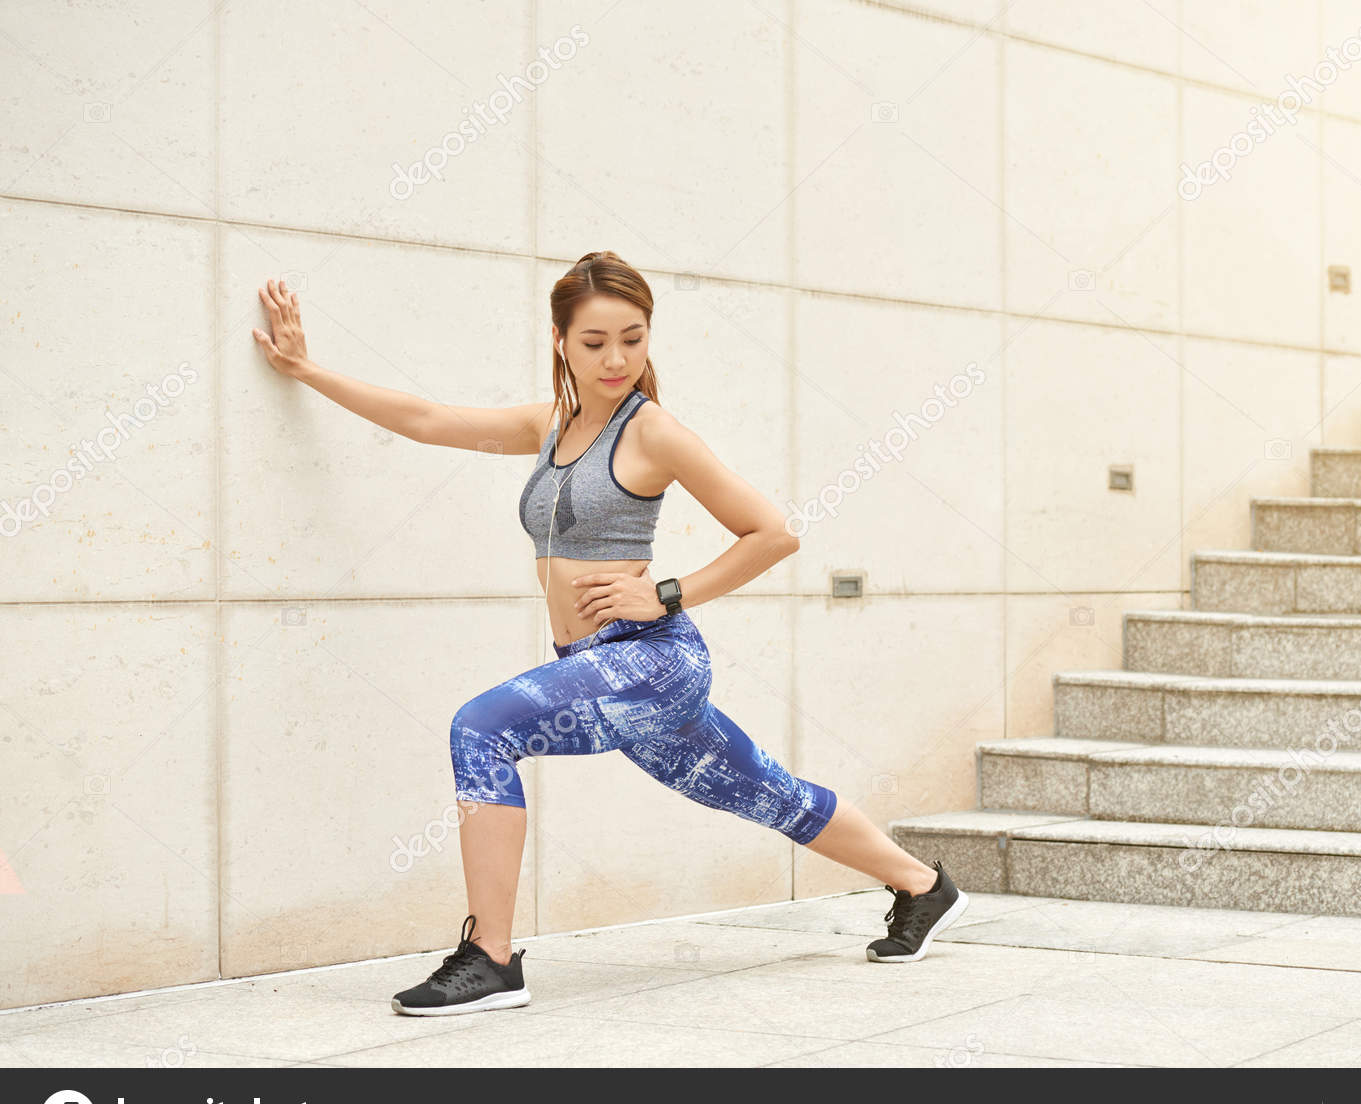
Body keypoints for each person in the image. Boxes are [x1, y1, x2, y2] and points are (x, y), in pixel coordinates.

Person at [251, 251, 968, 1017]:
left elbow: (772, 533)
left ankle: (491, 957)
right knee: (765, 794)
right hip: (592, 666)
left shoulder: (654, 433)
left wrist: (666, 592)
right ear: (560, 340)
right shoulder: (550, 425)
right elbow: (427, 421)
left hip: (651, 663)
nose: (616, 358)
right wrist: (306, 371)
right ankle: (925, 887)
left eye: (633, 337)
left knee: (481, 729)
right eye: (594, 342)